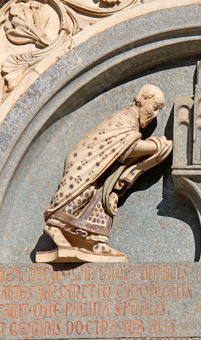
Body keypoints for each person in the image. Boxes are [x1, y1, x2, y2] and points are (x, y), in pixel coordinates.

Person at [42, 84, 172, 258]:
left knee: (104, 202)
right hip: (86, 163)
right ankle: (55, 226)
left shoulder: (132, 123)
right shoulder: (124, 119)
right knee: (84, 192)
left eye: (158, 111)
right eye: (154, 108)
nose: (154, 114)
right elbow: (126, 148)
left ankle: (97, 242)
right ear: (143, 100)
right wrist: (156, 145)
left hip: (102, 172)